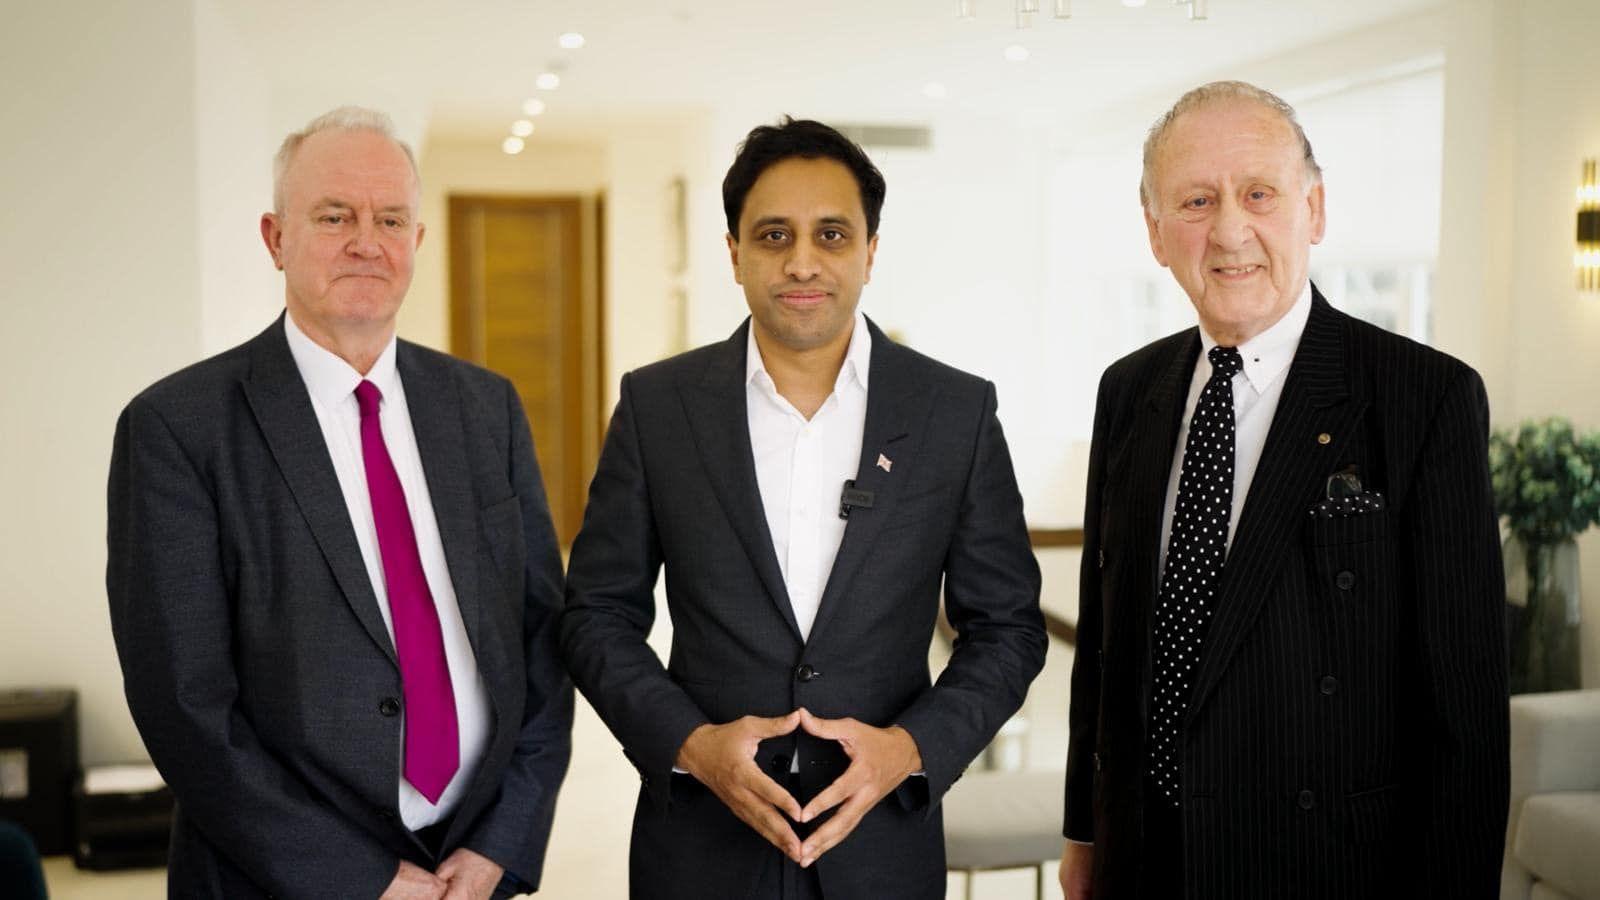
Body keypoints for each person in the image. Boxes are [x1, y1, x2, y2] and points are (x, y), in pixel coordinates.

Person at [560, 117, 1048, 900]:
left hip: (882, 849)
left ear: (870, 252)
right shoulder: (657, 407)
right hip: (700, 849)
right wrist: (692, 744)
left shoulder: (953, 411)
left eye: (831, 234)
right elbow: (594, 616)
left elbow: (1009, 630)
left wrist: (911, 749)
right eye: (774, 234)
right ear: (734, 253)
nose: (802, 261)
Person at [1058, 80, 1509, 900]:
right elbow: (1105, 644)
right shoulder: (1128, 389)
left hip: (1325, 863)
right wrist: (1085, 832)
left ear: (1315, 209)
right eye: (1196, 201)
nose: (1230, 230)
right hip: (1146, 856)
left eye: (1258, 194)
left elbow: (1466, 713)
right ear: (1156, 233)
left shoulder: (1424, 398)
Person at [106, 106, 571, 899]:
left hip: (468, 867)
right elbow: (185, 706)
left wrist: (502, 842)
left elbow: (542, 642)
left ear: (417, 243)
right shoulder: (177, 428)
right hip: (276, 878)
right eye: (334, 216)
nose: (367, 240)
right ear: (275, 238)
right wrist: (359, 878)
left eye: (391, 218)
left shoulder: (485, 408)